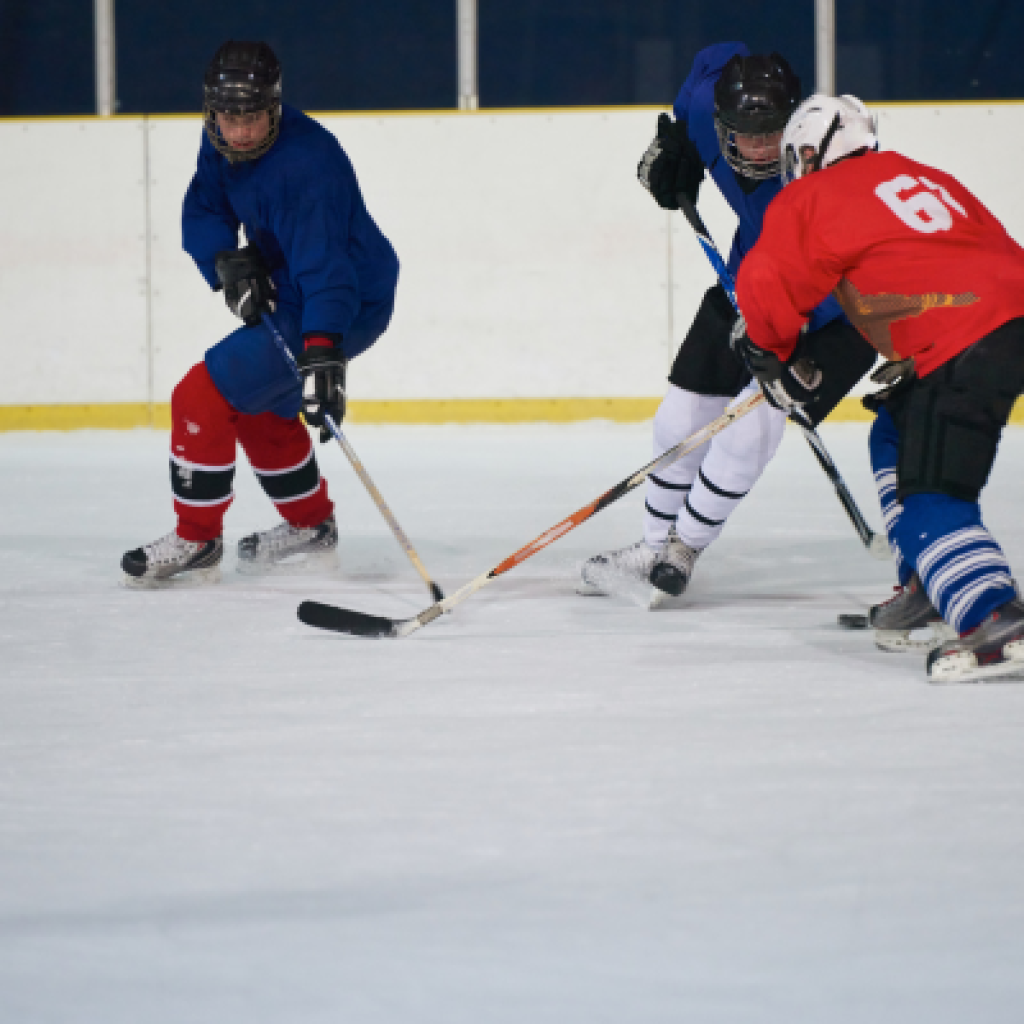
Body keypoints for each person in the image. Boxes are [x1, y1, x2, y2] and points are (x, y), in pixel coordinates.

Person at [732, 93, 1024, 683]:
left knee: (931, 494)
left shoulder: (810, 195)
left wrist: (774, 353)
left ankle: (994, 614)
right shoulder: (923, 175)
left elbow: (768, 284)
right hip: (1003, 316)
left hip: (965, 337)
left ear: (809, 152)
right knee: (893, 430)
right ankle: (927, 581)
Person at [579, 43, 875, 602]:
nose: (761, 150)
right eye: (745, 135)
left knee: (750, 426)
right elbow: (713, 61)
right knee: (679, 417)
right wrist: (675, 151)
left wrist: (781, 333)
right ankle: (650, 546)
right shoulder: (703, 104)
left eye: (772, 135)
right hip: (747, 279)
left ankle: (684, 548)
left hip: (835, 315)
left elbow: (858, 277)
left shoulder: (826, 168)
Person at [122, 41, 399, 584]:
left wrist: (322, 351)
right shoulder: (220, 142)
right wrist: (228, 262)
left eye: (252, 117)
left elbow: (327, 269)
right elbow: (205, 205)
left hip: (344, 298)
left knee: (199, 394)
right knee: (257, 407)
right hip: (299, 283)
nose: (241, 131)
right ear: (212, 111)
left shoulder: (307, 166)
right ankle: (309, 526)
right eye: (230, 117)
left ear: (274, 107)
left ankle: (197, 539)